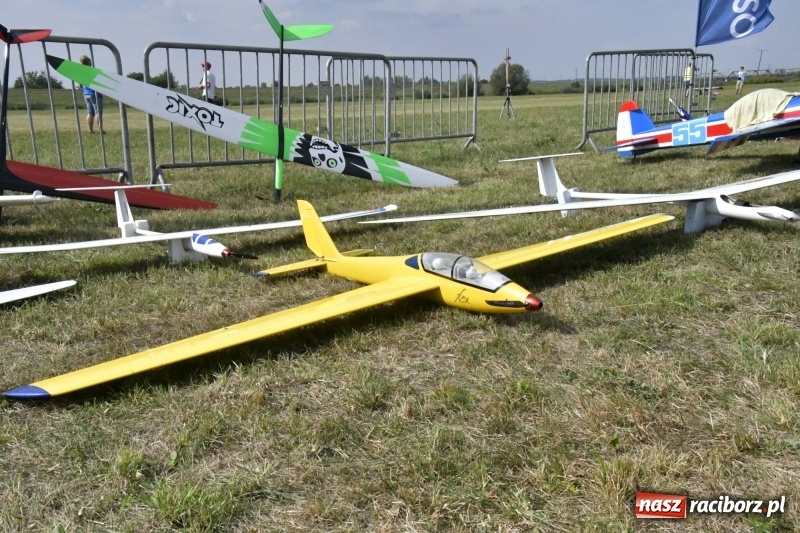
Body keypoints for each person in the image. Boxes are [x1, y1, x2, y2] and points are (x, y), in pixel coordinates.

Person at [79, 55, 103, 133]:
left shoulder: (80, 72)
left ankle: (90, 129)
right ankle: (100, 129)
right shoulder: (93, 71)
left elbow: (80, 85)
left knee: (90, 113)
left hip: (86, 93)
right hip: (94, 93)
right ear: (89, 61)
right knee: (98, 112)